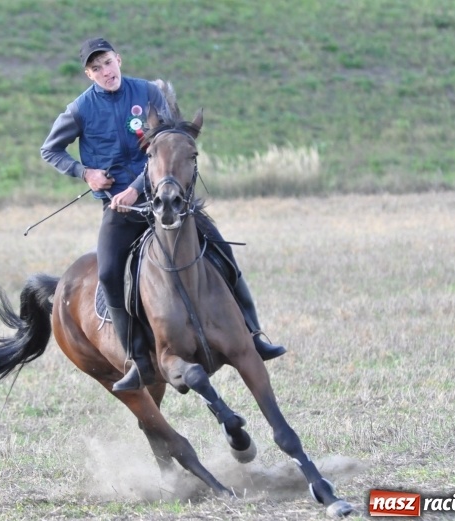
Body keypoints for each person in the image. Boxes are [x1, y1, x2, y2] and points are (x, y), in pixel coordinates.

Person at [41, 37, 285, 392]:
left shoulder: (148, 94)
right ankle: (138, 360)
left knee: (223, 252)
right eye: (96, 68)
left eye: (107, 63)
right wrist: (86, 173)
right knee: (109, 274)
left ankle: (253, 334)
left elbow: (169, 145)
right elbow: (50, 150)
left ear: (118, 60)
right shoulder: (79, 110)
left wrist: (138, 186)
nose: (104, 72)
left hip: (168, 200)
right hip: (121, 210)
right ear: (88, 74)